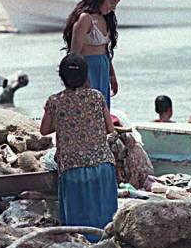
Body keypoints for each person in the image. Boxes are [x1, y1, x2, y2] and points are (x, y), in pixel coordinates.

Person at [39, 53, 117, 242]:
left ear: (62, 77)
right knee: (106, 227)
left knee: (78, 232)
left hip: (73, 169)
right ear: (86, 76)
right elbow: (110, 128)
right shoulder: (97, 97)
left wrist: (65, 121)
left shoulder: (54, 101)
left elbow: (44, 130)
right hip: (102, 167)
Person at [63, 0, 125, 108]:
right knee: (89, 108)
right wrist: (81, 80)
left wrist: (112, 75)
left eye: (116, 3)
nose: (113, 7)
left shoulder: (107, 18)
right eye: (112, 2)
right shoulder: (85, 18)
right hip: (87, 69)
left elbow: (105, 49)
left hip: (103, 66)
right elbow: (74, 55)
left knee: (102, 109)